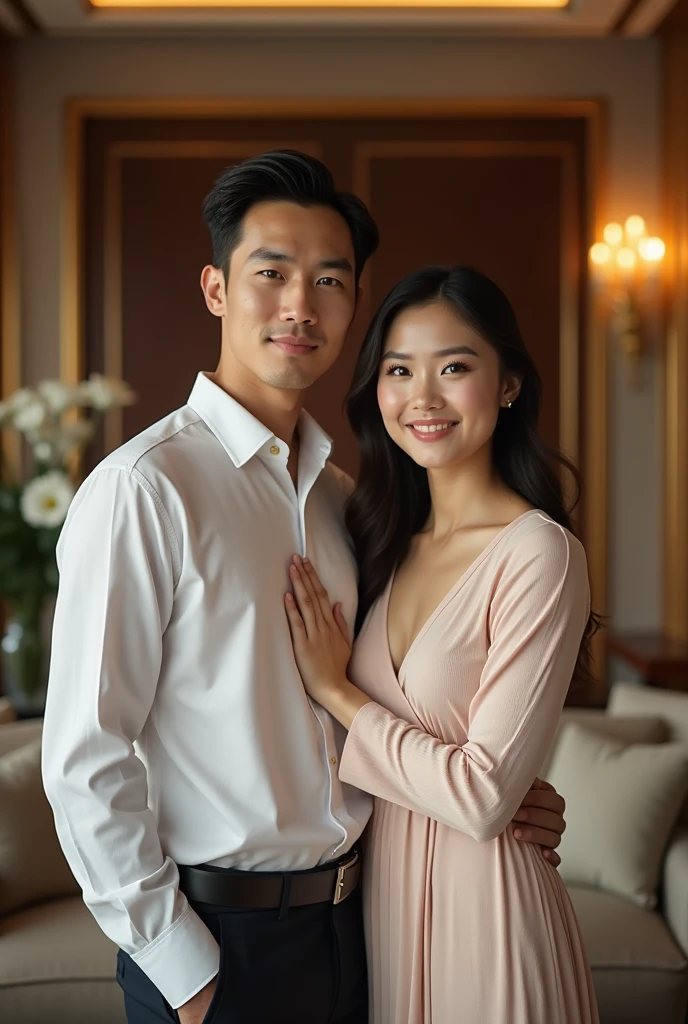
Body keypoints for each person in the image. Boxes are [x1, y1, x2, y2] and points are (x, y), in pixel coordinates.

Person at [42, 153, 569, 1024]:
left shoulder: (344, 503)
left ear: (353, 304)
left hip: (364, 929)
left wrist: (507, 796)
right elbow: (84, 757)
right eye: (271, 274)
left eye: (329, 279)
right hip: (223, 946)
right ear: (215, 288)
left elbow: (400, 707)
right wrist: (184, 970)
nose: (300, 304)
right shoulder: (145, 489)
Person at [284, 265, 599, 1023]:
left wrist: (339, 693)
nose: (422, 398)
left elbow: (486, 797)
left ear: (509, 383)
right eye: (399, 370)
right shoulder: (375, 535)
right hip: (382, 912)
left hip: (489, 910)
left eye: (454, 367)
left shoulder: (538, 553)